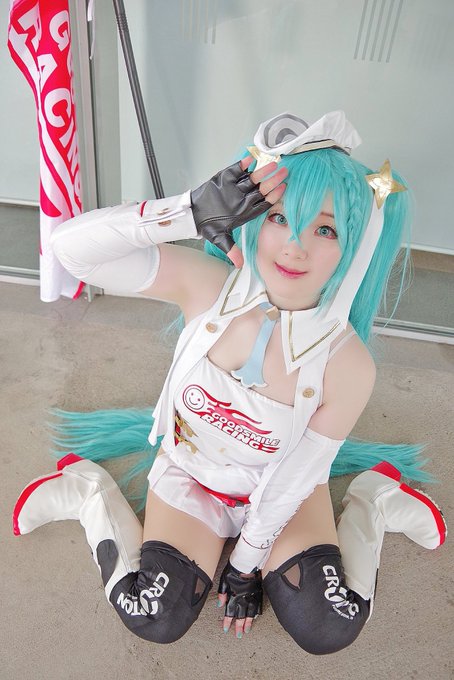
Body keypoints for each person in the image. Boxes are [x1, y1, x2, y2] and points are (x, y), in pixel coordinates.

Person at [13, 111, 446, 654]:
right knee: (154, 616)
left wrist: (245, 565)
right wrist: (187, 212)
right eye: (280, 217)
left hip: (287, 492)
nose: (295, 245)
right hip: (191, 477)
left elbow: (292, 479)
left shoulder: (349, 365)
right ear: (255, 215)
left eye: (326, 229)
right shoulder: (207, 286)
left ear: (354, 246)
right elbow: (69, 250)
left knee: (329, 626)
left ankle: (372, 502)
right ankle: (88, 492)